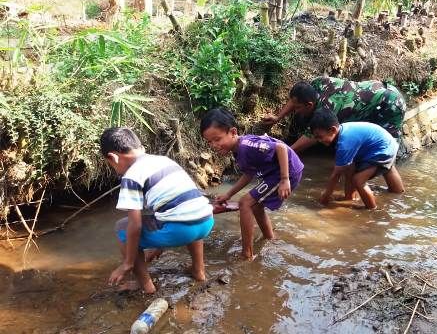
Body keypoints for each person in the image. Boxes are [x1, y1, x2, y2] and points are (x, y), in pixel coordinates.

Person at [100, 127, 214, 294]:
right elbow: (177, 205)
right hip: (206, 221)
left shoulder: (131, 176)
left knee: (122, 227)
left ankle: (145, 286)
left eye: (110, 164)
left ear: (113, 157)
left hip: (180, 230)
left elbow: (135, 225)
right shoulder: (163, 161)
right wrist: (158, 247)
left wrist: (127, 264)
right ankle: (198, 271)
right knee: (188, 212)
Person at [200, 108, 304, 260]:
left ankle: (247, 254)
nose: (214, 145)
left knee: (245, 203)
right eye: (209, 142)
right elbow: (248, 174)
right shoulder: (238, 150)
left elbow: (281, 147)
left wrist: (284, 179)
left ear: (233, 132)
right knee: (254, 205)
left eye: (217, 139)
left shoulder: (246, 146)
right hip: (274, 173)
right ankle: (270, 238)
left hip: (286, 171)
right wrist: (228, 194)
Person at [261, 76, 406, 153]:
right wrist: (277, 117)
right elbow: (296, 99)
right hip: (371, 92)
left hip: (390, 103)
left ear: (310, 105)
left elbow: (311, 136)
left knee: (386, 151)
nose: (295, 111)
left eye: (298, 108)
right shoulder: (316, 84)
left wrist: (286, 153)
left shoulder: (329, 108)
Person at [309, 109, 405, 209]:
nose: (319, 141)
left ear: (333, 130)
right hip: (386, 143)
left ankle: (371, 208)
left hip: (382, 149)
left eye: (320, 137)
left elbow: (335, 175)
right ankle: (397, 193)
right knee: (352, 169)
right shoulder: (343, 131)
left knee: (358, 180)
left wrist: (325, 198)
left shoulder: (345, 144)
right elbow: (348, 168)